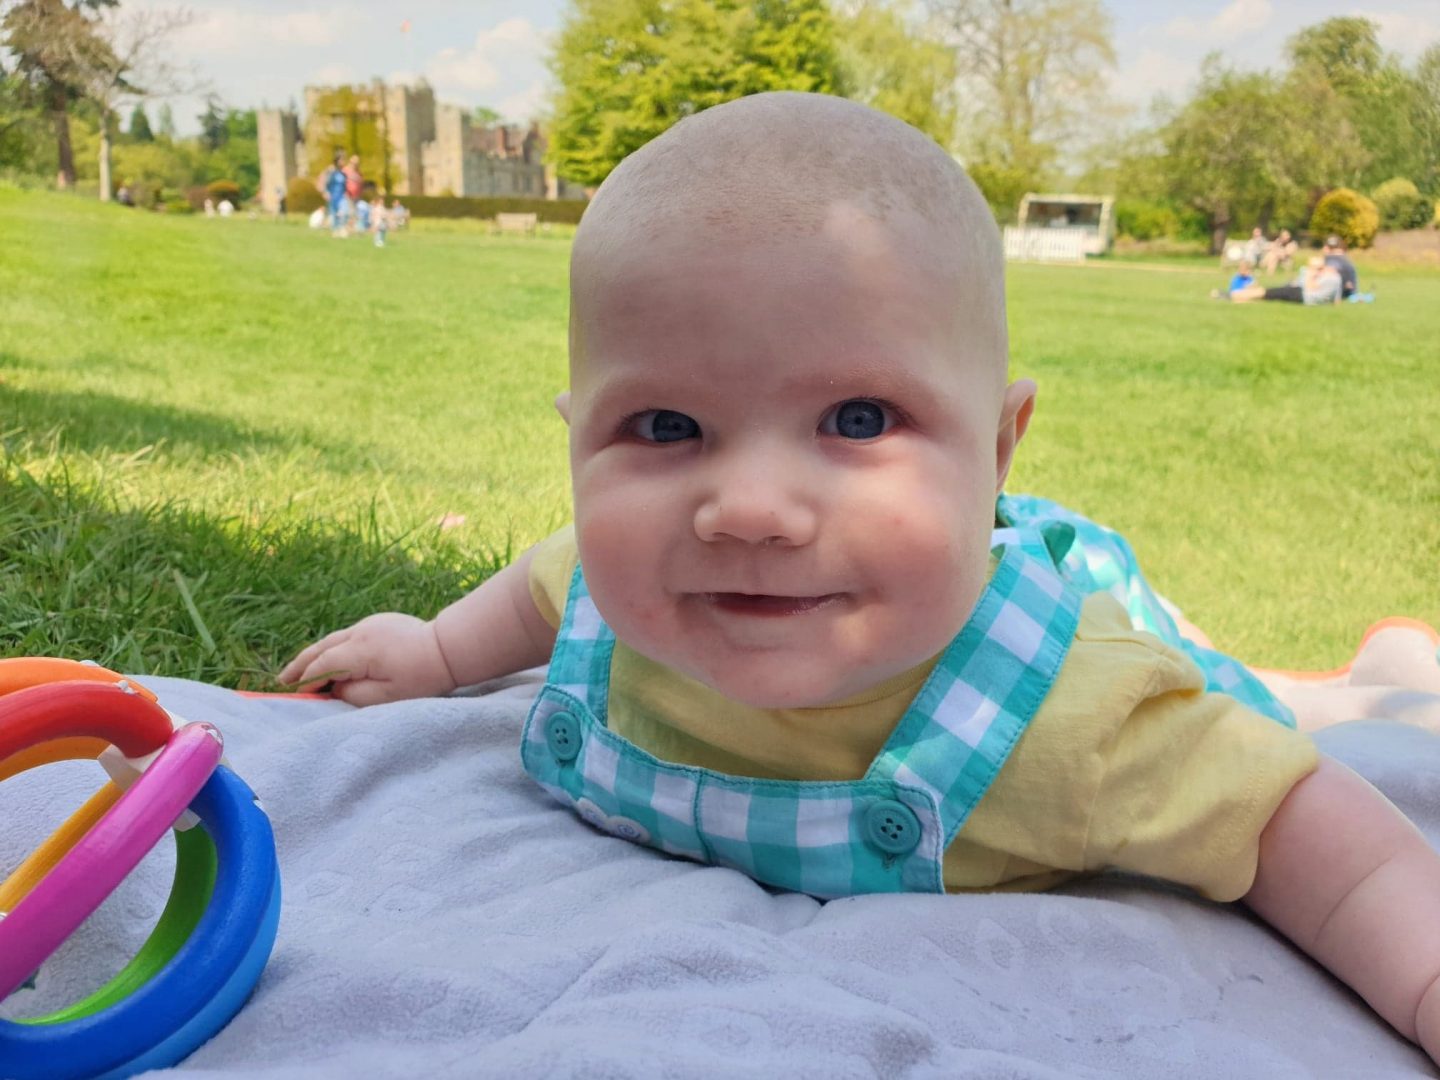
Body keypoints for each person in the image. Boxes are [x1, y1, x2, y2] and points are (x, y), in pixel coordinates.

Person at [279, 93, 1440, 1064]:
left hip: (1064, 601)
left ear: (995, 448)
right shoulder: (618, 581)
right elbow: (544, 587)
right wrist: (437, 653)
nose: (749, 510)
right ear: (577, 435)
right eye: (666, 424)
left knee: (1272, 703)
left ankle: (1377, 672)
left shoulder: (1087, 722)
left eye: (859, 417)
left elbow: (1310, 831)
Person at [1229, 256, 1342, 305]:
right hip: (1298, 292)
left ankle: (1238, 295)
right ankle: (1240, 295)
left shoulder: (1327, 278)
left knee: (1269, 292)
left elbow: (1309, 288)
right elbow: (1336, 301)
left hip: (1300, 294)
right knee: (1270, 293)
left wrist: (1310, 274)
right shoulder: (1336, 279)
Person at [322, 152, 347, 235]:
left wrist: (345, 193)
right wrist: (326, 192)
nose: (343, 162)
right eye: (341, 160)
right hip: (333, 196)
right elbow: (327, 183)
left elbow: (344, 186)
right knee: (334, 214)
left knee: (343, 211)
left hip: (341, 197)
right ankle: (336, 231)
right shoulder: (332, 172)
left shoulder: (343, 174)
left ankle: (342, 228)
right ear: (337, 161)